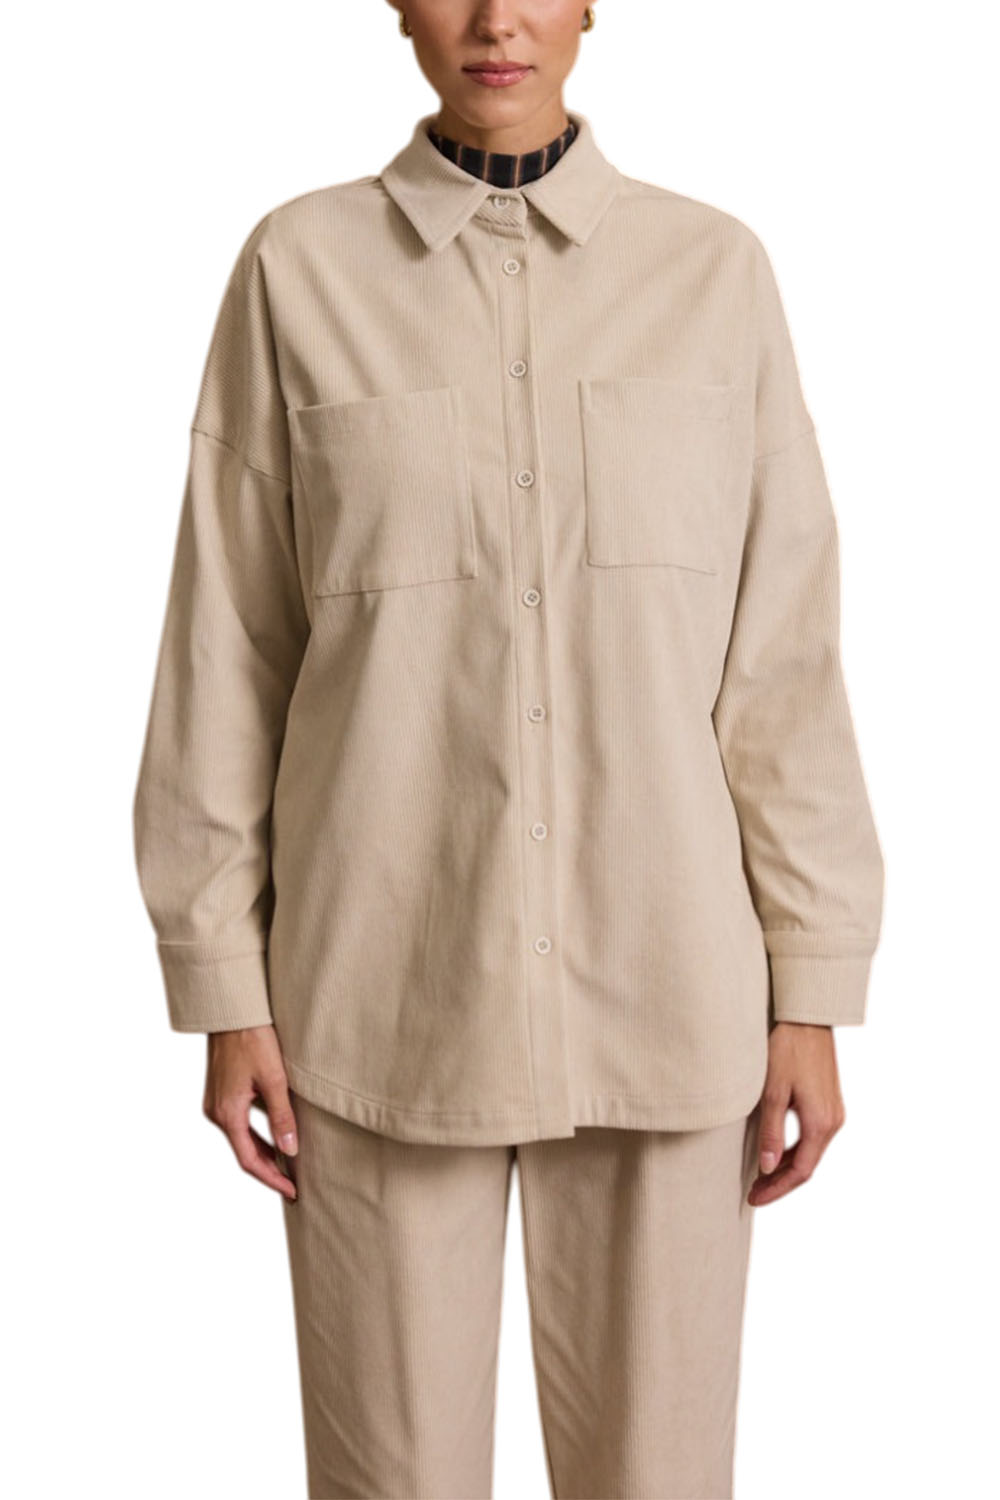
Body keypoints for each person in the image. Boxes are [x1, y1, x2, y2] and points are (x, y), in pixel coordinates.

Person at [131, 2, 885, 1496]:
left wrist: (814, 987)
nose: (496, 20)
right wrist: (220, 983)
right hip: (378, 993)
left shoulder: (715, 275)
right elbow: (228, 647)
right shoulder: (296, 270)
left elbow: (782, 665)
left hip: (669, 996)